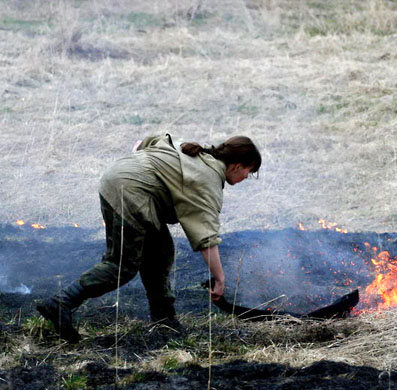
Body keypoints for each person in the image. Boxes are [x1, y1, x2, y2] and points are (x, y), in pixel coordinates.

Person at [36, 133, 261, 343]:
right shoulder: (207, 178)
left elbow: (150, 141)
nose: (245, 177)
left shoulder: (198, 155)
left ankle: (165, 321)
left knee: (160, 251)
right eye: (248, 172)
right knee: (122, 264)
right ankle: (61, 302)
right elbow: (207, 238)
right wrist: (220, 279)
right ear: (237, 166)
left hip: (121, 180)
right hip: (130, 192)